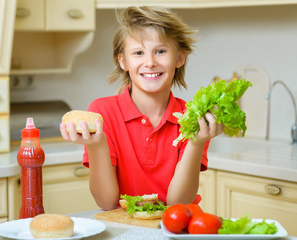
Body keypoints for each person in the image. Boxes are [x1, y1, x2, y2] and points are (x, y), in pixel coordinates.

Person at [60, 6, 223, 211]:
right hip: (122, 225)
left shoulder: (192, 118)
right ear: (123, 61)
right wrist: (96, 146)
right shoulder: (103, 113)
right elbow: (107, 202)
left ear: (180, 58)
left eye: (160, 51)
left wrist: (196, 143)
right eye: (138, 53)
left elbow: (178, 204)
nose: (150, 62)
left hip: (173, 226)